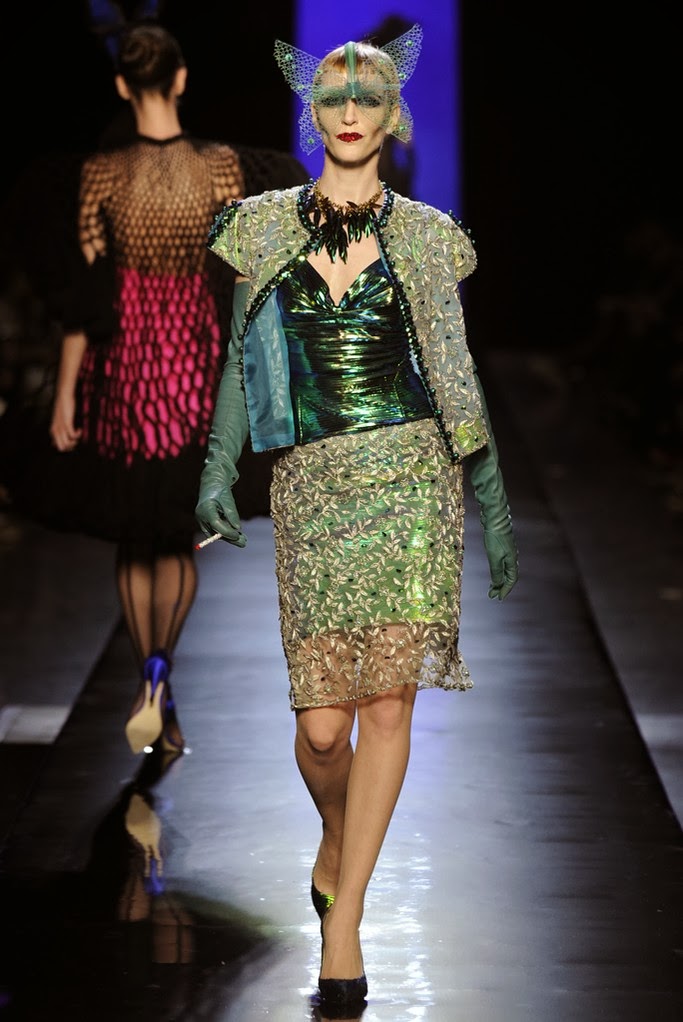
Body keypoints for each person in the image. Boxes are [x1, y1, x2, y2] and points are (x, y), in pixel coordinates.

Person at [195, 23, 519, 1011]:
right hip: (312, 485)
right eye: (332, 97)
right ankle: (337, 833)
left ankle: (346, 924)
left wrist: (491, 497)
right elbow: (241, 358)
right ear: (313, 112)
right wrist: (217, 464)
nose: (347, 112)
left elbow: (453, 371)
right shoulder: (260, 227)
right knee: (322, 726)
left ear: (390, 115)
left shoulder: (424, 236)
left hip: (412, 479)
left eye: (366, 97)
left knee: (385, 706)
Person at [39, 19, 247, 760]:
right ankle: (161, 674)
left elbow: (87, 298)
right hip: (191, 361)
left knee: (135, 533)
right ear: (181, 79)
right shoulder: (221, 168)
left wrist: (65, 394)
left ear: (123, 85)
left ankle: (149, 681)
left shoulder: (102, 173)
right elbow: (239, 284)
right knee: (175, 532)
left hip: (126, 366)